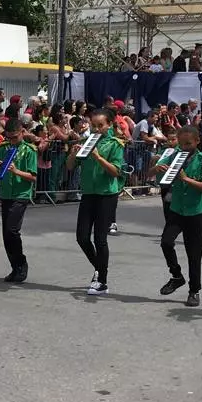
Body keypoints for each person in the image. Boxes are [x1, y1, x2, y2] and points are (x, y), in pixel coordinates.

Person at [66, 107, 124, 295]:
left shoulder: (115, 144)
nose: (97, 129)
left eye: (101, 125)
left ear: (109, 125)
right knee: (82, 237)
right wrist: (73, 154)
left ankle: (102, 281)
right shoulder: (85, 141)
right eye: (93, 125)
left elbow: (116, 172)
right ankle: (100, 268)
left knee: (100, 239)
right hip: (88, 194)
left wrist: (98, 157)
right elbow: (70, 166)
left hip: (107, 194)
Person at [153, 125, 202, 307]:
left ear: (197, 141)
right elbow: (157, 177)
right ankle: (176, 276)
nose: (185, 147)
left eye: (189, 143)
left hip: (195, 211)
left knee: (194, 253)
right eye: (182, 143)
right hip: (177, 209)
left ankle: (194, 290)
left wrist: (186, 179)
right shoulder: (173, 156)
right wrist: (157, 168)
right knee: (166, 241)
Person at [0, 119, 37, 283]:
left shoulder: (29, 151)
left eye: (15, 137)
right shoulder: (3, 149)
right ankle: (15, 267)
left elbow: (32, 177)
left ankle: (21, 264)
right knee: (6, 234)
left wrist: (16, 171)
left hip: (21, 194)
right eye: (9, 138)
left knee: (12, 230)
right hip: (6, 194)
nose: (12, 141)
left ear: (22, 132)